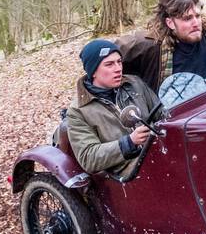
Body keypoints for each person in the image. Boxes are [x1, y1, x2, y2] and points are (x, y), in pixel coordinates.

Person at [117, 0, 206, 95]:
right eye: (187, 19)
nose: (195, 23)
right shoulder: (149, 46)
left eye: (197, 16)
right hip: (169, 117)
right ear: (170, 23)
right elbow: (106, 57)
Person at [66, 39, 160, 180]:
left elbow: (163, 113)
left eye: (119, 62)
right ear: (93, 72)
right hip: (126, 172)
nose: (118, 69)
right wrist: (129, 142)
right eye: (109, 64)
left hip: (157, 152)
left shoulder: (135, 84)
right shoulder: (78, 111)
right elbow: (88, 157)